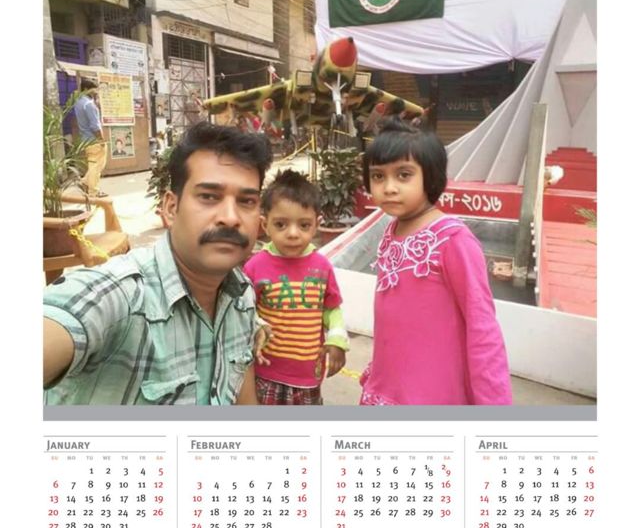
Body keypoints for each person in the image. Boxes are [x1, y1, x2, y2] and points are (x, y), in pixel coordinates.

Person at [43, 122, 272, 405]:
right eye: (209, 197)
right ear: (171, 208)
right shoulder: (122, 298)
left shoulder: (242, 298)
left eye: (246, 201)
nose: (231, 217)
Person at [359, 118, 512, 406]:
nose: (389, 187)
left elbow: (482, 326)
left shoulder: (453, 240)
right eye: (378, 176)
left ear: (430, 177)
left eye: (403, 175)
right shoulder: (391, 231)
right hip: (388, 388)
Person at [243, 170, 348, 405]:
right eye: (281, 224)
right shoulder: (255, 267)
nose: (292, 234)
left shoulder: (322, 267)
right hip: (266, 373)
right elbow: (244, 311)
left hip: (308, 376)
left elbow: (332, 309)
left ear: (317, 224)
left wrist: (337, 341)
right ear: (265, 224)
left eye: (304, 225)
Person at [74, 78, 108, 197]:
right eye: (94, 89)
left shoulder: (79, 103)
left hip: (86, 139)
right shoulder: (89, 105)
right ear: (86, 89)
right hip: (94, 139)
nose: (96, 92)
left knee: (94, 164)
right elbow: (95, 126)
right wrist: (101, 140)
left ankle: (85, 182)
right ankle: (93, 191)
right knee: (96, 166)